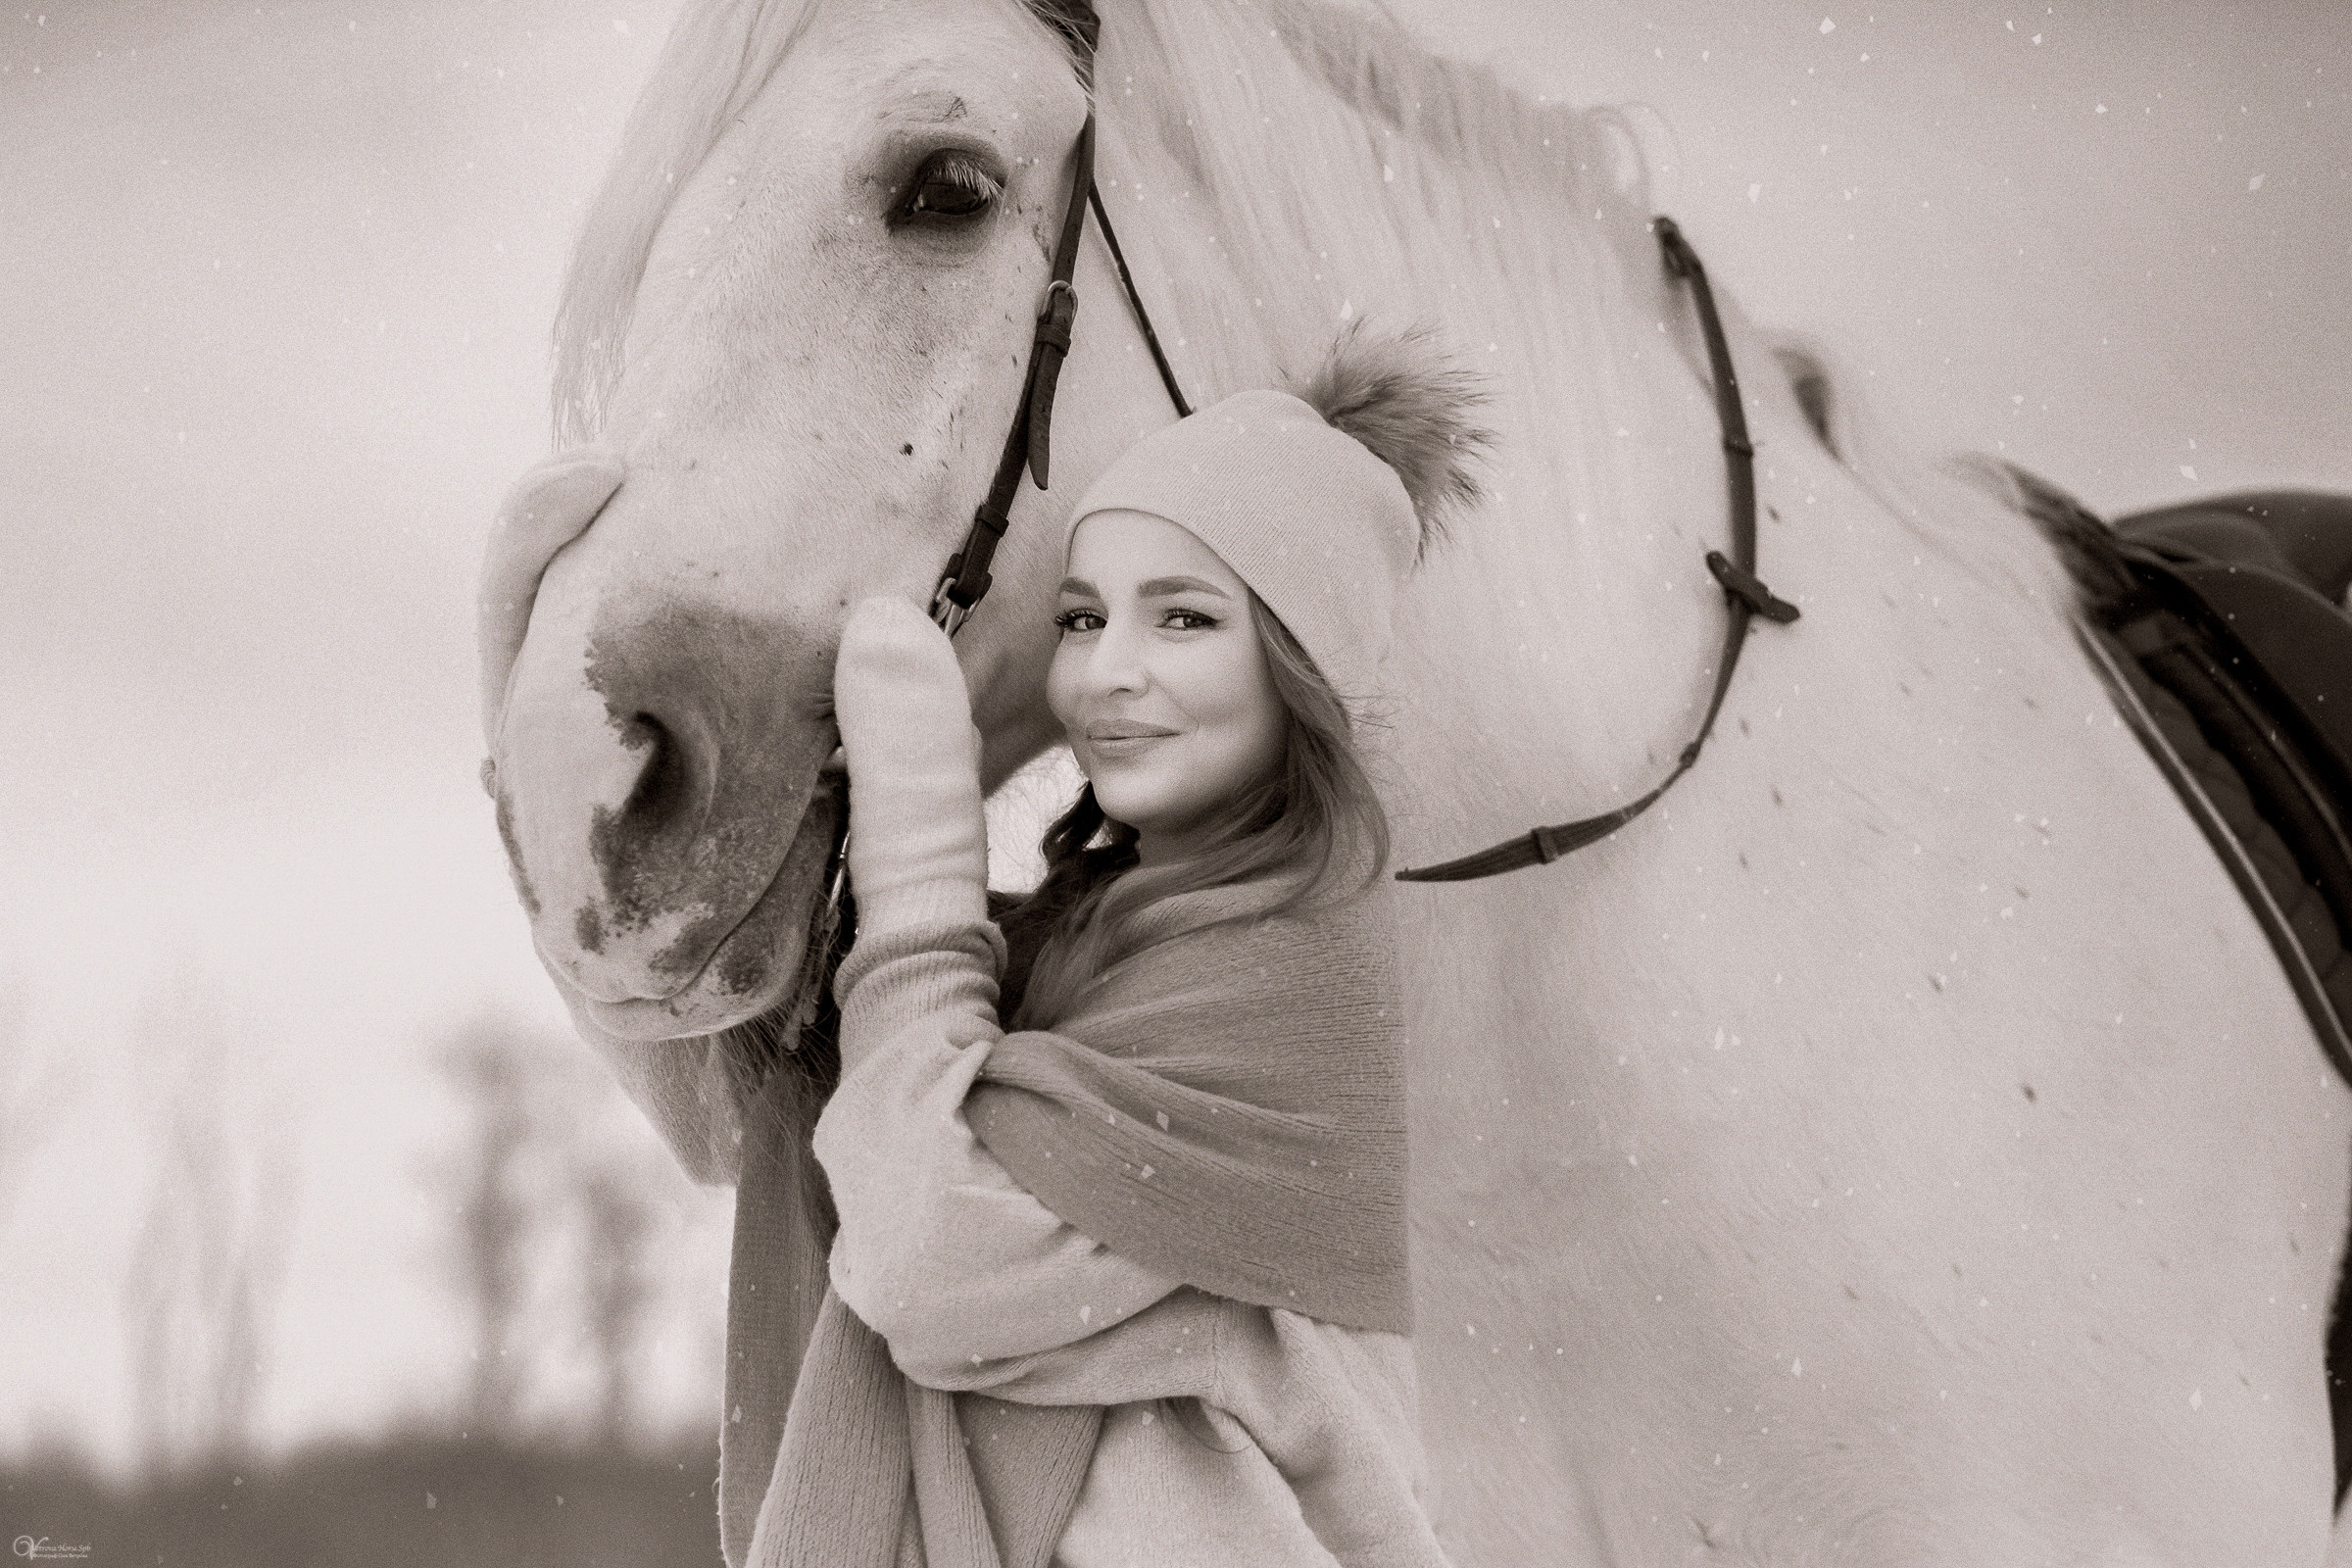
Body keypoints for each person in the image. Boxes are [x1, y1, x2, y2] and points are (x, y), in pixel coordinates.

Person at [751, 330, 1487, 1568]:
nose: (1108, 673)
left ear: (1299, 664)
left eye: (1184, 617)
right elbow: (783, 1109)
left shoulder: (1291, 972)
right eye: (1083, 618)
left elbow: (923, 1257)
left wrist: (921, 858)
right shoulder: (1081, 943)